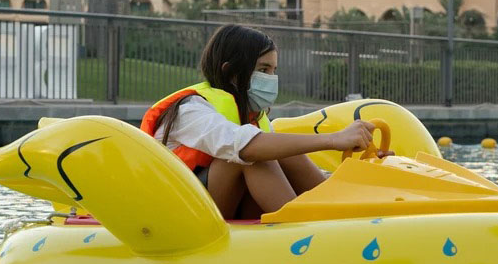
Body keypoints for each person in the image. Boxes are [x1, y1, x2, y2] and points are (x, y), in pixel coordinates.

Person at [141, 24, 383, 220]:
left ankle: (339, 210)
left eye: (274, 70)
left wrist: (357, 174)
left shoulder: (255, 118)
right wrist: (333, 139)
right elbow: (244, 147)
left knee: (281, 150)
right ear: (230, 72)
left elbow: (290, 161)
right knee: (251, 156)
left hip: (224, 207)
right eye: (263, 70)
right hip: (183, 216)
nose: (271, 79)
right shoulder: (190, 110)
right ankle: (302, 229)